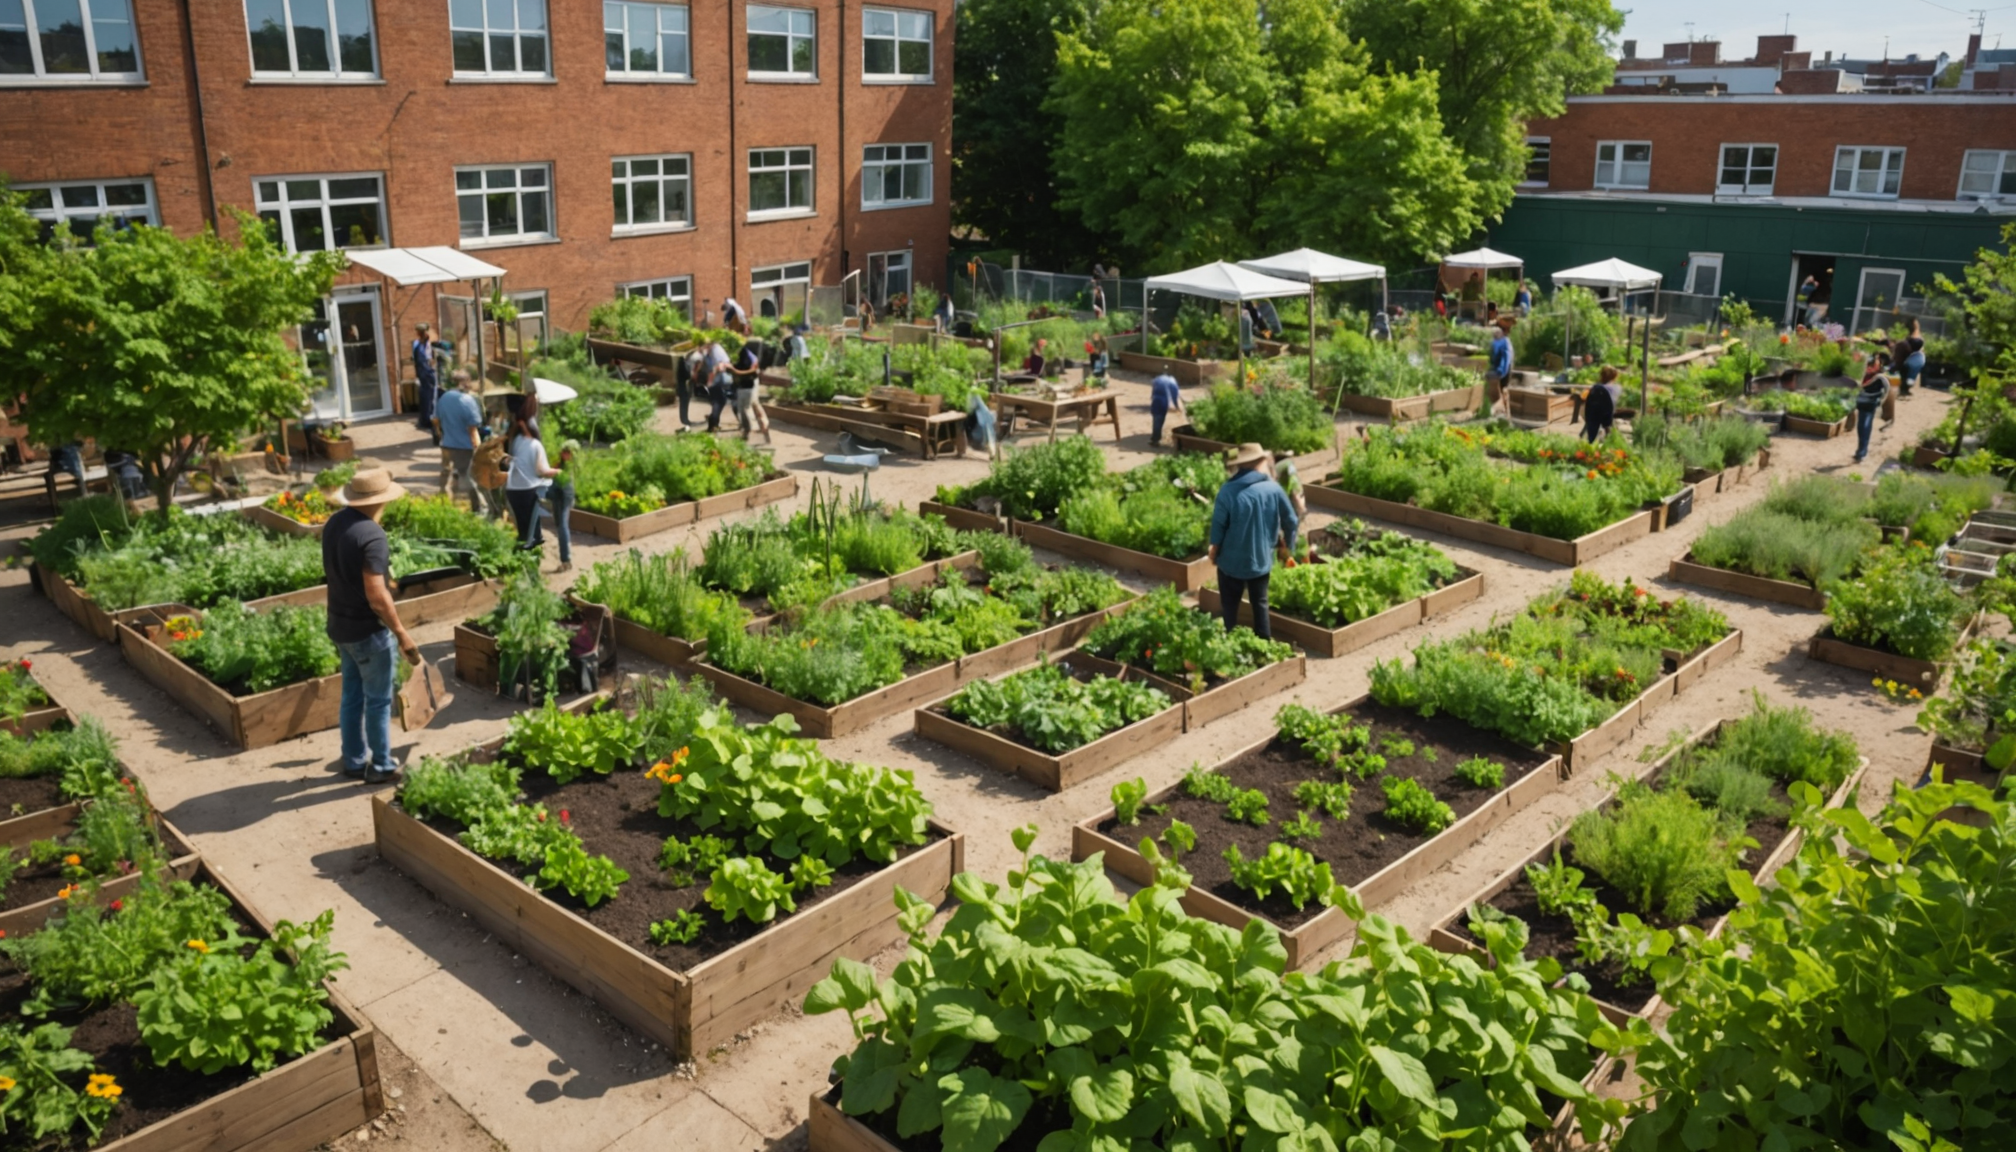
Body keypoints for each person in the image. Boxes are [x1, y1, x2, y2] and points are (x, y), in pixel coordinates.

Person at [322, 468, 423, 785]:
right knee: (378, 701)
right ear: (382, 500)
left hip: (340, 625)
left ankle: (353, 760)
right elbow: (377, 596)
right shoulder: (372, 536)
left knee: (352, 696)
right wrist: (402, 633)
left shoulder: (335, 524)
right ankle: (380, 765)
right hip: (368, 631)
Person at [1209, 443, 1298, 642]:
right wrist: (1289, 549)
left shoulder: (1227, 491)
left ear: (1240, 466)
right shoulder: (1273, 489)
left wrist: (1214, 550)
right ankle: (1264, 647)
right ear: (1259, 463)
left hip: (1230, 562)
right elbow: (1291, 521)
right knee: (1260, 604)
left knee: (1230, 607)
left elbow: (1218, 529)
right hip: (1260, 560)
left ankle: (1228, 644)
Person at [435, 371, 493, 516]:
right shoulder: (468, 401)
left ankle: (446, 507)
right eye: (468, 382)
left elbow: (435, 420)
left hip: (446, 444)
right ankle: (479, 508)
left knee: (446, 477)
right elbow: (473, 429)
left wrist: (442, 434)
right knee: (468, 478)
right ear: (464, 383)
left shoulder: (443, 398)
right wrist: (478, 448)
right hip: (463, 447)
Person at [504, 400, 558, 550]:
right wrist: (559, 472)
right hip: (527, 489)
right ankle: (529, 545)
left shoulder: (515, 440)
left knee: (522, 520)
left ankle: (534, 538)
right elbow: (542, 471)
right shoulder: (535, 445)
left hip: (512, 488)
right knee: (531, 516)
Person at [729, 335, 773, 443]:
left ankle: (749, 430)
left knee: (745, 409)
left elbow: (753, 370)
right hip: (748, 385)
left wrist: (735, 371)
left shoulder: (746, 355)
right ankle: (763, 428)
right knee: (754, 406)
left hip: (747, 386)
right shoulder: (748, 354)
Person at [545, 439, 578, 573]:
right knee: (559, 525)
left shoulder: (569, 466)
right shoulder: (561, 463)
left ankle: (566, 560)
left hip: (563, 493)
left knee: (563, 524)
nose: (563, 454)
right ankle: (565, 559)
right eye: (563, 451)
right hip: (558, 492)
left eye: (567, 452)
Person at [1853, 352, 1891, 463]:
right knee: (1861, 426)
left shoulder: (1880, 378)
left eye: (1872, 365)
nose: (1869, 368)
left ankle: (1862, 451)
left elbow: (1887, 391)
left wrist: (1880, 402)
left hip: (1870, 405)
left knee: (1865, 425)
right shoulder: (1863, 375)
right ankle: (1861, 449)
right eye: (1868, 365)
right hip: (1861, 403)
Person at [411, 323, 442, 440]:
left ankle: (429, 420)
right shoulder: (417, 344)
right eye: (420, 331)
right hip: (424, 373)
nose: (422, 334)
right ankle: (426, 420)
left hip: (429, 372)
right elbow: (416, 359)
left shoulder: (432, 343)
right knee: (426, 396)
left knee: (431, 397)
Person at [1583, 366, 1621, 443]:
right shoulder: (1617, 388)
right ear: (1615, 377)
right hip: (1609, 415)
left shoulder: (1596, 389)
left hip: (1595, 416)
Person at [703, 339, 734, 431]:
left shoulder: (711, 351)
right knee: (719, 401)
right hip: (716, 380)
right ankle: (713, 424)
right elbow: (720, 367)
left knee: (718, 401)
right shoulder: (715, 350)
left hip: (713, 380)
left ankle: (713, 423)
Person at [1487, 321, 1515, 416]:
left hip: (1504, 371)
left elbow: (1505, 359)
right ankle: (1501, 411)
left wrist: (1500, 372)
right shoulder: (1496, 342)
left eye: (1495, 334)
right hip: (1497, 369)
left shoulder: (1505, 343)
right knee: (1497, 392)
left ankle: (1503, 413)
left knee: (1503, 391)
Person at [1149, 371, 1184, 445]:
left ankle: (1155, 439)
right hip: (1165, 401)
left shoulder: (1157, 380)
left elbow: (1153, 393)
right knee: (1161, 419)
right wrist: (1177, 406)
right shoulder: (1172, 380)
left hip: (1157, 401)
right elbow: (1175, 395)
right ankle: (1157, 436)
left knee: (1157, 420)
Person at [1897, 320, 1926, 396]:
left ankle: (1904, 389)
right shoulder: (1914, 336)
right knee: (1907, 374)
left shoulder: (1912, 335)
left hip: (1908, 357)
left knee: (1905, 374)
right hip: (1910, 357)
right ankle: (1904, 389)